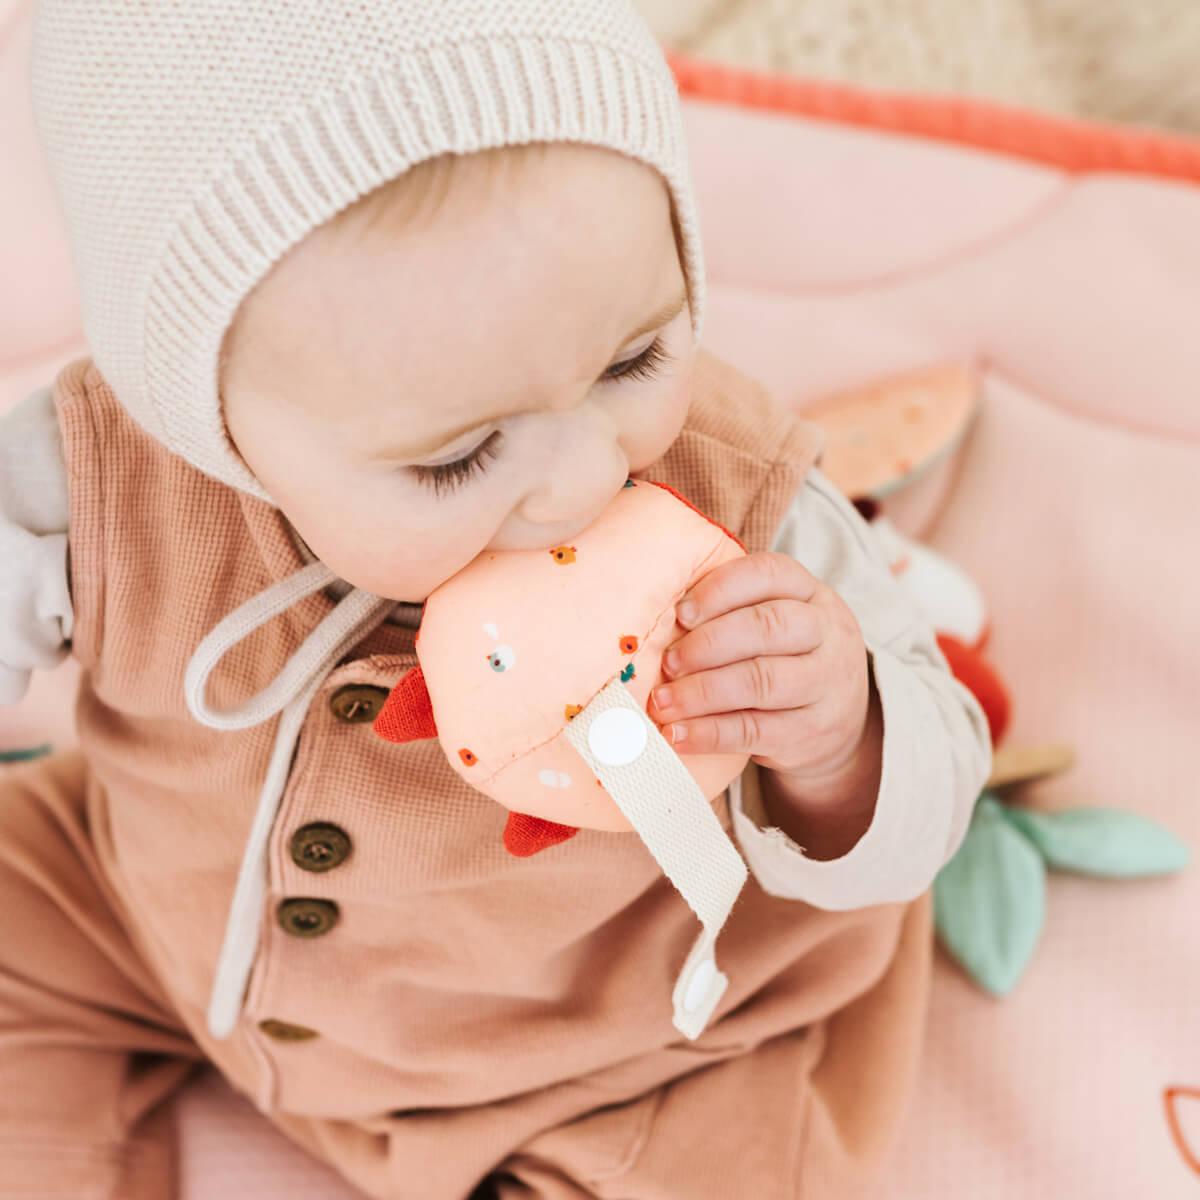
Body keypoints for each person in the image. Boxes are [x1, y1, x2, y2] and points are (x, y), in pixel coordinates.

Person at [0, 2, 992, 1196]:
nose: (581, 481)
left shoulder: (746, 508)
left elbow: (930, 799)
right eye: (458, 458)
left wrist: (842, 735)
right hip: (154, 923)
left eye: (632, 360)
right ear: (205, 419)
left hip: (621, 1050)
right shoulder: (102, 480)